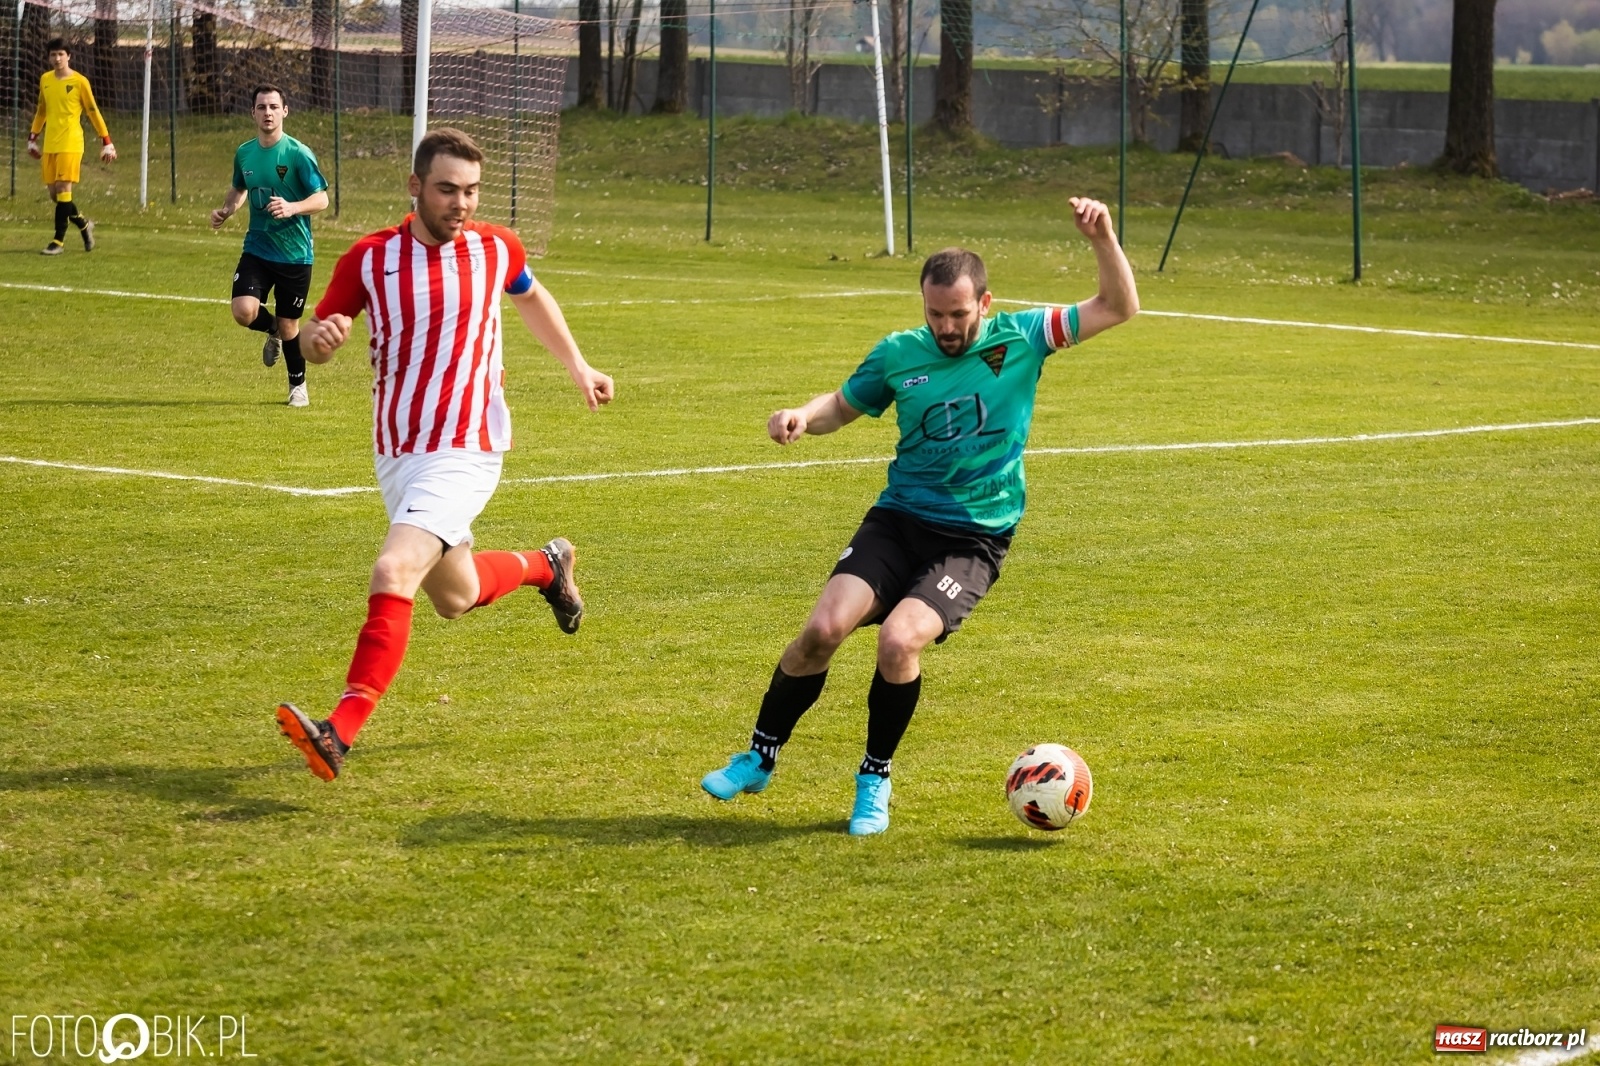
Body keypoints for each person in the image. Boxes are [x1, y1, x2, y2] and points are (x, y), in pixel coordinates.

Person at [700, 196, 1139, 835]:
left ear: (986, 303)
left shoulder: (1024, 337)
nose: (946, 327)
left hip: (972, 538)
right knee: (823, 630)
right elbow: (843, 407)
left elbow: (1119, 307)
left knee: (899, 640)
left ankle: (873, 780)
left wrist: (1103, 238)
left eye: (959, 314)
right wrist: (801, 414)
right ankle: (759, 755)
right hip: (899, 519)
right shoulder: (899, 354)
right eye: (935, 314)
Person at [275, 127, 615, 782]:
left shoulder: (496, 248)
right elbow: (320, 337)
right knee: (453, 595)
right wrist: (320, 341)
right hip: (399, 452)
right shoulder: (371, 258)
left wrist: (578, 364)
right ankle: (548, 566)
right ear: (415, 187)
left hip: (467, 446)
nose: (461, 203)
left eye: (471, 191)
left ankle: (338, 733)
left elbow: (531, 295)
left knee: (392, 570)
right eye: (447, 189)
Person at [209, 85, 330, 407]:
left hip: (295, 254)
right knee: (243, 311)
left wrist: (292, 207)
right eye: (261, 107)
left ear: (285, 111)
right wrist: (227, 209)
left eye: (274, 107)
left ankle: (297, 387)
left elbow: (322, 198)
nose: (268, 113)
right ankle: (272, 326)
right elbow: (238, 189)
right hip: (258, 249)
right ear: (253, 113)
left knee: (293, 324)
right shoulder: (244, 153)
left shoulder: (298, 154)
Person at [28, 38, 115, 256]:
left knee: (63, 190)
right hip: (51, 143)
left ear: (69, 56)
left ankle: (57, 242)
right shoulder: (45, 80)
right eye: (52, 55)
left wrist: (106, 141)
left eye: (60, 54)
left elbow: (93, 111)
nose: (56, 59)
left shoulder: (79, 82)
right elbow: (41, 111)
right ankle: (84, 225)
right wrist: (33, 138)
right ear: (48, 57)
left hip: (71, 142)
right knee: (55, 196)